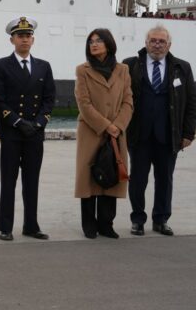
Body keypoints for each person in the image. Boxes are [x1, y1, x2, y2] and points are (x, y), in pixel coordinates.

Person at [124, 26, 196, 236]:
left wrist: (188, 133)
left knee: (165, 179)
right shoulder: (130, 65)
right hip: (139, 134)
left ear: (169, 45)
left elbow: (191, 102)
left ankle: (161, 219)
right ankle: (137, 219)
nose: (157, 44)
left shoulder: (182, 68)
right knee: (138, 179)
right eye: (153, 40)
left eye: (161, 41)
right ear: (146, 43)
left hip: (168, 135)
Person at [0, 17, 55, 241]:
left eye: (28, 36)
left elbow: (49, 99)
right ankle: (5, 227)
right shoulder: (0, 66)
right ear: (12, 39)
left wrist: (38, 123)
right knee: (8, 181)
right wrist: (18, 122)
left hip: (35, 134)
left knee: (32, 182)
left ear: (33, 39)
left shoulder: (43, 67)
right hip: (11, 133)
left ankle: (31, 225)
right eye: (20, 36)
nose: (24, 39)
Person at [74, 29, 133, 239]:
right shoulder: (83, 70)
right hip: (92, 131)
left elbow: (128, 101)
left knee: (112, 173)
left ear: (109, 44)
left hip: (117, 132)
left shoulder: (123, 70)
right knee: (89, 177)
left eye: (99, 40)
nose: (94, 44)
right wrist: (106, 125)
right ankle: (89, 224)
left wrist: (118, 125)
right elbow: (84, 103)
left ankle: (106, 224)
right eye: (91, 41)